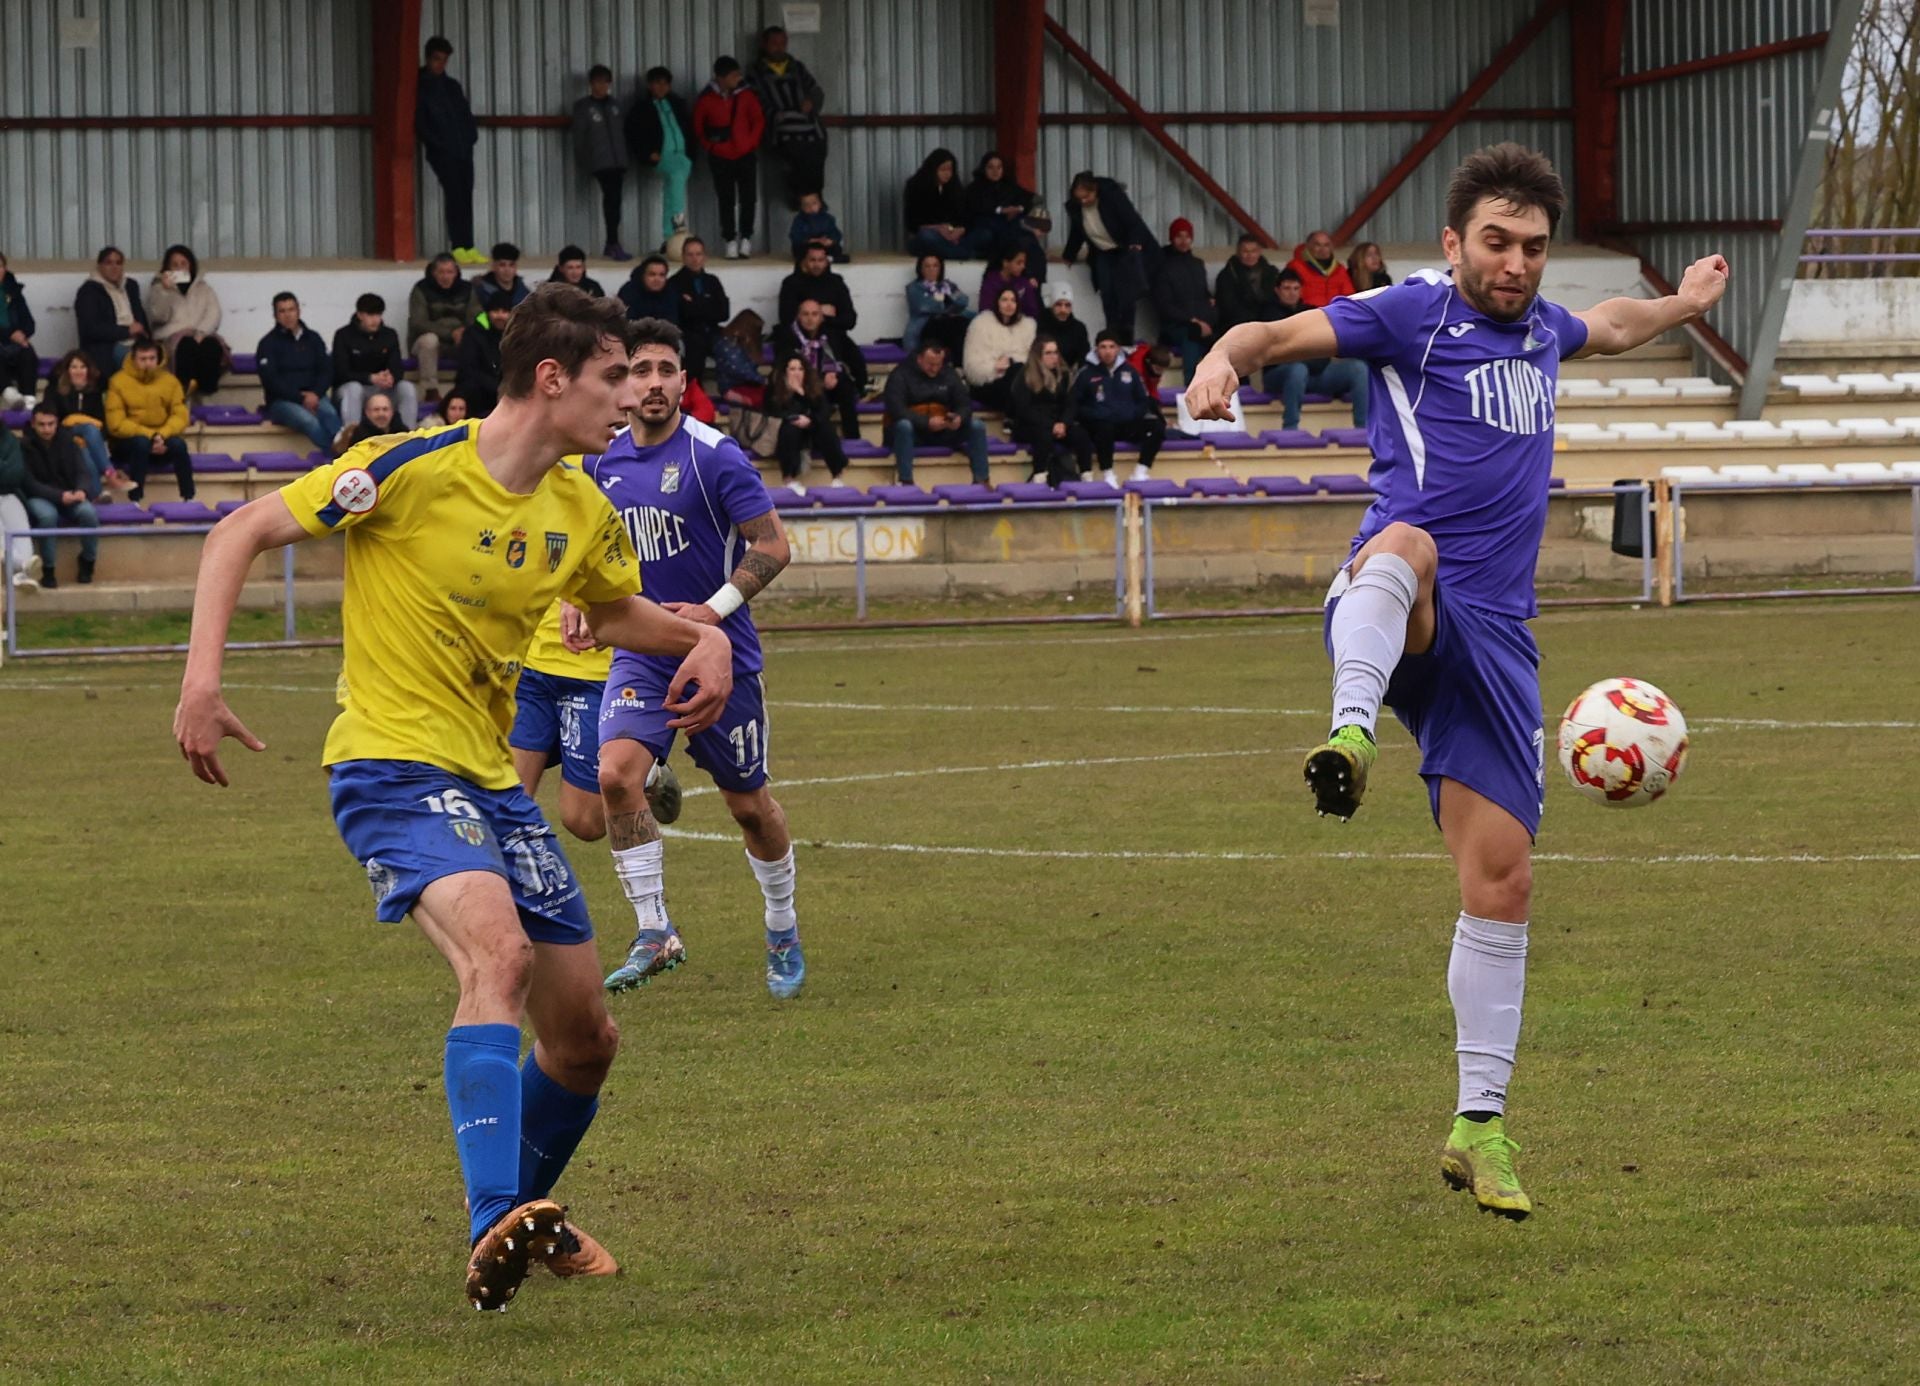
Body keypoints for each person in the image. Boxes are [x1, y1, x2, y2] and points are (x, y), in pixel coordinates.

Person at [1184, 142, 1730, 1222]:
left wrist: (1682, 301)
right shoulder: (1409, 312)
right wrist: (1225, 361)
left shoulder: (1540, 329)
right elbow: (1274, 330)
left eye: (1532, 246)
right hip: (1401, 600)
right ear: (1454, 242)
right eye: (1497, 242)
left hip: (1502, 642)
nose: (1517, 263)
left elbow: (1611, 325)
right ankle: (1348, 736)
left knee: (1504, 884)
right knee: (1406, 543)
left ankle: (1479, 1124)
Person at [172, 282, 735, 1312]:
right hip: (388, 765)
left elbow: (614, 613)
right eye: (615, 377)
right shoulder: (412, 469)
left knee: (585, 1040)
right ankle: (493, 1222)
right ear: (554, 378)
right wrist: (202, 679)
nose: (633, 398)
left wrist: (703, 640)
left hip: (488, 785)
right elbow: (237, 533)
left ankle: (519, 1212)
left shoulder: (581, 506)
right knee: (499, 957)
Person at [576, 318, 805, 999]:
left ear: (684, 382)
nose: (651, 383)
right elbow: (586, 549)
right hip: (644, 650)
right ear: (622, 383)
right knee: (614, 775)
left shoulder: (715, 456)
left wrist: (712, 611)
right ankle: (654, 930)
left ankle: (782, 925)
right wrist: (574, 599)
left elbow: (772, 546)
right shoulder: (600, 462)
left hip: (721, 654)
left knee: (749, 807)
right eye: (638, 370)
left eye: (664, 370)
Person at [1262, 269, 1369, 431]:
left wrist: (1299, 355)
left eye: (1295, 288)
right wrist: (1305, 354)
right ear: (1277, 290)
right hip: (1279, 375)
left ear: (1301, 290)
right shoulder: (1267, 315)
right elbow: (1278, 354)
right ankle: (1290, 430)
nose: (1291, 293)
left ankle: (1364, 429)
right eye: (1286, 288)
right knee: (1298, 369)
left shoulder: (1311, 313)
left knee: (1358, 368)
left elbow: (1323, 351)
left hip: (1315, 373)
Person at [1060, 171, 1157, 339]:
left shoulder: (1113, 197)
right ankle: (1111, 332)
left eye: (1087, 197)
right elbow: (1077, 232)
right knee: (1107, 293)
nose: (1084, 201)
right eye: (1080, 198)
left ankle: (1127, 333)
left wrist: (1135, 244)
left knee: (1127, 294)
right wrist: (1069, 255)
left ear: (1095, 190)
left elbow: (1133, 222)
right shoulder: (1075, 207)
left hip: (1124, 250)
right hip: (1102, 252)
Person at [882, 341, 989, 485]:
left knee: (977, 426)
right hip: (914, 432)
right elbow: (896, 410)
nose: (934, 369)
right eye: (930, 364)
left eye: (938, 364)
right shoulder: (899, 375)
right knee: (903, 426)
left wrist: (959, 418)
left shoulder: (950, 374)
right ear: (919, 359)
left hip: (944, 429)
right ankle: (906, 481)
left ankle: (982, 480)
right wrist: (926, 423)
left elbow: (964, 404)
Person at [417, 36, 483, 265]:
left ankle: (469, 244)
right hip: (442, 151)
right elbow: (420, 122)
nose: (440, 65)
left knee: (466, 194)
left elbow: (466, 116)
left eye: (444, 60)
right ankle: (458, 245)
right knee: (454, 194)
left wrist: (470, 138)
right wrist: (438, 144)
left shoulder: (452, 86)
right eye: (437, 59)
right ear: (428, 58)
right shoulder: (420, 85)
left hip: (463, 149)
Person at [748, 25, 828, 208]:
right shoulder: (756, 72)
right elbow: (756, 101)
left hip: (810, 128)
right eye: (774, 43)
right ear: (764, 44)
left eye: (783, 43)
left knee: (816, 156)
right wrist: (779, 114)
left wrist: (811, 101)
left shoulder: (797, 67)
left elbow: (816, 91)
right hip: (782, 129)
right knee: (796, 164)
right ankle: (803, 201)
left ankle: (816, 201)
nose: (779, 48)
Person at [694, 57, 766, 260]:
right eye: (734, 75)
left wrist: (750, 143)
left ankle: (746, 238)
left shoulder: (746, 96)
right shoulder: (706, 99)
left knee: (748, 198)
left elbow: (758, 120)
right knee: (726, 199)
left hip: (745, 154)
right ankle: (730, 240)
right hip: (720, 157)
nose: (738, 78)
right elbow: (699, 127)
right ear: (721, 77)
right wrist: (712, 146)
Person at [20, 402, 99, 586]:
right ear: (33, 423)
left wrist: (82, 490)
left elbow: (83, 471)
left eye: (51, 424)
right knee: (48, 516)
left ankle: (88, 561)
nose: (46, 429)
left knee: (89, 513)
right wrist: (59, 496)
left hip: (70, 494)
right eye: (41, 424)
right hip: (39, 497)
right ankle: (48, 570)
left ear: (57, 423)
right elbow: (29, 483)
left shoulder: (69, 442)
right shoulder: (23, 446)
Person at [105, 338, 194, 502]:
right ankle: (135, 499)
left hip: (161, 439)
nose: (148, 363)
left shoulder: (170, 381)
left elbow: (180, 415)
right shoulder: (117, 382)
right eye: (143, 359)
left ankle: (188, 497)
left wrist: (161, 435)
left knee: (179, 445)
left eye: (152, 358)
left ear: (158, 359)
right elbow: (116, 423)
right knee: (141, 443)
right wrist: (151, 435)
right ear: (133, 358)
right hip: (128, 444)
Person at [1072, 329, 1164, 486]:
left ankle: (1140, 471)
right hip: (1100, 425)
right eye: (1103, 347)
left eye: (1111, 346)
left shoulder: (1130, 371)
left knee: (1157, 427)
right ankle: (1108, 474)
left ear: (1118, 349)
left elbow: (1143, 400)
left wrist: (1133, 413)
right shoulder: (1085, 373)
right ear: (1096, 349)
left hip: (1127, 423)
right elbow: (1075, 403)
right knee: (1104, 427)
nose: (1107, 351)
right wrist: (1096, 414)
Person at [257, 292, 343, 455]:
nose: (288, 315)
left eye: (291, 309)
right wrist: (300, 397)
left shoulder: (314, 339)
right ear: (275, 315)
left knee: (330, 413)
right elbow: (270, 380)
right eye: (282, 311)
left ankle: (345, 456)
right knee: (309, 421)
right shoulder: (267, 343)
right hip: (281, 402)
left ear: (298, 311)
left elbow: (326, 370)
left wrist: (316, 394)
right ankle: (337, 458)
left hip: (315, 395)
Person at [625, 67, 697, 255]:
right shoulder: (642, 108)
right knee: (676, 189)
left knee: (673, 191)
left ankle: (671, 234)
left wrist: (690, 154)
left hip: (682, 155)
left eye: (665, 83)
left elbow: (689, 129)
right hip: (664, 156)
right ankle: (675, 231)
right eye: (657, 83)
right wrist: (647, 153)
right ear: (650, 85)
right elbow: (634, 135)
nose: (661, 87)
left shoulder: (678, 104)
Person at [776, 244, 866, 392]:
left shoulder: (836, 282)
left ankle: (860, 390)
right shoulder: (791, 283)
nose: (817, 264)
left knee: (855, 358)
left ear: (826, 261)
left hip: (833, 336)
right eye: (812, 260)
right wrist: (819, 311)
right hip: (799, 340)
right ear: (803, 261)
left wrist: (825, 319)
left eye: (821, 260)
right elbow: (786, 318)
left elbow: (850, 320)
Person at [144, 244, 226, 399]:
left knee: (211, 346)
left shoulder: (203, 288)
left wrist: (201, 332)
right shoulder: (158, 288)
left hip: (199, 334)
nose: (180, 268)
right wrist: (165, 291)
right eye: (174, 265)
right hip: (171, 338)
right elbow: (158, 316)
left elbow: (214, 313)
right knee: (186, 346)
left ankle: (207, 392)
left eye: (183, 264)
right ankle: (182, 392)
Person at [1008, 337, 1092, 487]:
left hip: (1058, 423)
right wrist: (1050, 425)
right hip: (1030, 425)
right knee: (1043, 436)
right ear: (1038, 355)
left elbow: (1071, 404)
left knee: (1081, 435)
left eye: (1055, 352)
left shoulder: (1064, 375)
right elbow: (1024, 409)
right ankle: (1039, 477)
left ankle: (1087, 475)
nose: (1054, 357)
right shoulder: (1024, 376)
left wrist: (1063, 423)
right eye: (1048, 353)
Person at [771, 300, 860, 439]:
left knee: (845, 387)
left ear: (822, 317)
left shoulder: (832, 334)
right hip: (799, 386)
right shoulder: (786, 336)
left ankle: (853, 437)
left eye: (814, 314)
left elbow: (849, 359)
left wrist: (834, 373)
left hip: (826, 384)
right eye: (805, 314)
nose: (810, 319)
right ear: (798, 317)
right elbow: (782, 366)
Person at [332, 293, 420, 431]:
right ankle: (352, 436)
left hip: (383, 388)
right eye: (370, 315)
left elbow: (397, 367)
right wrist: (370, 378)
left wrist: (390, 377)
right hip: (352, 388)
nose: (375, 320)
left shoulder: (389, 335)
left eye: (378, 315)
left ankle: (408, 438)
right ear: (360, 315)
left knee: (406, 388)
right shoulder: (343, 335)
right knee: (353, 389)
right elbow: (341, 372)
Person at [571, 64, 631, 262]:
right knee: (611, 199)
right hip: (600, 162)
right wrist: (585, 161)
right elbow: (579, 138)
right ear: (591, 84)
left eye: (605, 82)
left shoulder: (616, 105)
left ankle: (611, 243)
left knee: (615, 201)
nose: (601, 86)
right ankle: (613, 243)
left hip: (618, 161)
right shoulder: (583, 107)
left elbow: (625, 132)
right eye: (597, 82)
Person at [45, 350, 124, 495]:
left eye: (82, 367)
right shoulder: (54, 390)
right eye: (74, 367)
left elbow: (101, 422)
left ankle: (97, 494)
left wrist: (81, 429)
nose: (78, 371)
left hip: (85, 440)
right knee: (89, 429)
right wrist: (77, 421)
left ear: (88, 370)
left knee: (84, 451)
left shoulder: (94, 392)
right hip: (60, 435)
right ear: (67, 370)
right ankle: (111, 474)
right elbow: (52, 418)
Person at [766, 355, 849, 491]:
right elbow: (774, 412)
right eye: (792, 369)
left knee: (826, 428)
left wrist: (802, 395)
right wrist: (795, 416)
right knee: (789, 431)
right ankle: (788, 478)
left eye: (800, 369)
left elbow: (823, 411)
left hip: (811, 427)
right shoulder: (775, 389)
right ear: (785, 372)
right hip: (788, 427)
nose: (797, 373)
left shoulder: (813, 388)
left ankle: (837, 476)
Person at [408, 252, 479, 401]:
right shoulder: (421, 289)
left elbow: (478, 317)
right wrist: (450, 333)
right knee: (429, 340)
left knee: (477, 338)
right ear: (433, 272)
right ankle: (430, 390)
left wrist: (465, 332)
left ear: (456, 272)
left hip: (459, 341)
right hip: (426, 344)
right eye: (441, 272)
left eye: (450, 272)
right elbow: (418, 323)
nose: (445, 276)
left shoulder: (468, 289)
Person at [75, 246, 150, 380]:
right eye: (108, 263)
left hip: (136, 340)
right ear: (100, 266)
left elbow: (140, 316)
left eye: (118, 263)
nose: (114, 267)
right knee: (135, 359)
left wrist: (145, 334)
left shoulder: (130, 286)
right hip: (107, 345)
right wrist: (126, 331)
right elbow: (90, 329)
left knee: (156, 356)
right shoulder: (89, 291)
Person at [904, 149, 992, 260]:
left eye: (950, 170)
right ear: (933, 169)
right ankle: (964, 254)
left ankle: (956, 252)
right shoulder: (915, 186)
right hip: (931, 235)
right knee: (926, 237)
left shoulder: (954, 187)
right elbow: (913, 224)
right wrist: (938, 229)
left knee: (984, 234)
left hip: (954, 237)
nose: (947, 174)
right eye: (942, 169)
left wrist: (960, 230)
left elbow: (965, 217)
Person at [961, 288, 1035, 413]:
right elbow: (971, 366)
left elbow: (1031, 359)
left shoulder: (1027, 326)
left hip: (1016, 381)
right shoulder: (981, 324)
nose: (1009, 304)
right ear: (997, 303)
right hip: (988, 383)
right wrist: (994, 367)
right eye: (1004, 300)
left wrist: (1010, 363)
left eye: (1013, 300)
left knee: (1019, 372)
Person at [1153, 218, 1215, 364]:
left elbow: (1204, 294)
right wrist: (1192, 320)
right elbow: (1164, 305)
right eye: (1179, 236)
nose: (1183, 241)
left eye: (1187, 236)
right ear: (1171, 238)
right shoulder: (1162, 266)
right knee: (1192, 335)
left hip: (1200, 322)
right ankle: (1191, 383)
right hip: (1175, 326)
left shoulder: (1197, 264)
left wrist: (1209, 311)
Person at [667, 238, 729, 383]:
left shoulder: (712, 281)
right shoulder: (674, 283)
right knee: (695, 348)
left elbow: (724, 312)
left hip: (713, 331)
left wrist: (695, 304)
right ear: (683, 257)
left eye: (698, 254)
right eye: (690, 255)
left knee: (732, 349)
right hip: (688, 333)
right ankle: (694, 393)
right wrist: (707, 305)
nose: (695, 259)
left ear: (704, 257)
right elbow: (683, 314)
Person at [963, 150, 1043, 263]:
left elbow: (1031, 199)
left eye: (999, 167)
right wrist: (1000, 211)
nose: (995, 171)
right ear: (984, 169)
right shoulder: (974, 189)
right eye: (991, 167)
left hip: (1008, 226)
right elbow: (976, 209)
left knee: (1027, 237)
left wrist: (1018, 209)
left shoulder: (1009, 186)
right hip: (984, 228)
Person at [0, 419, 43, 592]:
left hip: (9, 493)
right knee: (1, 538)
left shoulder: (8, 438)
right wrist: (3, 465)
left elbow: (15, 473)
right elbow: (7, 471)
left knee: (21, 533)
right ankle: (23, 567)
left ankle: (22, 574)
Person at [455, 297, 515, 418]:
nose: (500, 316)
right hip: (479, 391)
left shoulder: (515, 335)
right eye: (496, 311)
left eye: (504, 311)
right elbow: (468, 369)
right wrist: (497, 387)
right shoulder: (473, 333)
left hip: (505, 389)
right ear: (488, 313)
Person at [903, 253, 972, 357]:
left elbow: (963, 301)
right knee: (953, 324)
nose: (931, 269)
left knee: (967, 322)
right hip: (925, 327)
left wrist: (945, 302)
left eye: (935, 266)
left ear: (940, 268)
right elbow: (926, 306)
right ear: (920, 269)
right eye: (927, 266)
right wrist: (949, 304)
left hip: (950, 324)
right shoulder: (914, 288)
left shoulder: (948, 285)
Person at [1214, 234, 1283, 334]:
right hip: (1238, 326)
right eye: (1245, 251)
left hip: (1268, 323)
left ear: (1259, 252)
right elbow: (1228, 307)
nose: (1250, 255)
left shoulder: (1272, 273)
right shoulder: (1227, 275)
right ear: (1238, 252)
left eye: (1253, 251)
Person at [0, 252, 41, 408]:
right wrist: (10, 334)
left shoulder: (14, 292)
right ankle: (8, 393)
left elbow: (29, 322)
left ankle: (29, 399)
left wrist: (23, 334)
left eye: (0, 266)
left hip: (15, 342)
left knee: (28, 353)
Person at [1288, 229, 1357, 307]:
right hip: (1307, 313)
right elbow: (1289, 296)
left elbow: (1349, 296)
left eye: (1326, 245)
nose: (1322, 249)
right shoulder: (1295, 266)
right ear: (1308, 246)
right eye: (1317, 245)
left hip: (1335, 313)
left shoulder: (1340, 269)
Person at [711, 310, 767, 404]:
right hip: (731, 387)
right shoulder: (726, 344)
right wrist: (763, 380)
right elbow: (739, 369)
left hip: (750, 384)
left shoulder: (745, 343)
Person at [1037, 283, 1090, 373]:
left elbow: (1084, 356)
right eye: (1058, 305)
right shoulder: (1041, 325)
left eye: (1067, 305)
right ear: (1052, 306)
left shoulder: (1079, 328)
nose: (1063, 310)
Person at [978, 246, 1042, 321]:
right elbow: (985, 311)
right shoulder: (990, 282)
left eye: (1024, 263)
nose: (1023, 266)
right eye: (1018, 263)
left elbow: (1032, 312)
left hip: (1019, 325)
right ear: (1005, 263)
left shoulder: (1024, 283)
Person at [335, 390, 408, 450]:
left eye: (385, 409)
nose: (381, 414)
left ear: (392, 412)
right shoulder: (358, 436)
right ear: (367, 413)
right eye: (376, 410)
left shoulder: (404, 434)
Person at [788, 190, 847, 263]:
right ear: (802, 207)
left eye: (814, 203)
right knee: (799, 250)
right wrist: (811, 240)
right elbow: (795, 236)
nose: (811, 207)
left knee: (836, 249)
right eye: (806, 205)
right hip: (808, 245)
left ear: (820, 204)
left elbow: (836, 233)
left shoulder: (828, 218)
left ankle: (828, 258)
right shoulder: (799, 220)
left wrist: (831, 241)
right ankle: (812, 259)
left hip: (823, 246)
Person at [616, 255, 678, 323]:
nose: (657, 279)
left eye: (662, 275)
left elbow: (673, 322)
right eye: (652, 274)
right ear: (643, 275)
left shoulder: (671, 292)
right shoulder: (628, 291)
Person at [474, 243, 530, 314]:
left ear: (516, 267)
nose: (507, 270)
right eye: (502, 265)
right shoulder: (479, 293)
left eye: (511, 265)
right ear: (493, 267)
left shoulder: (524, 293)